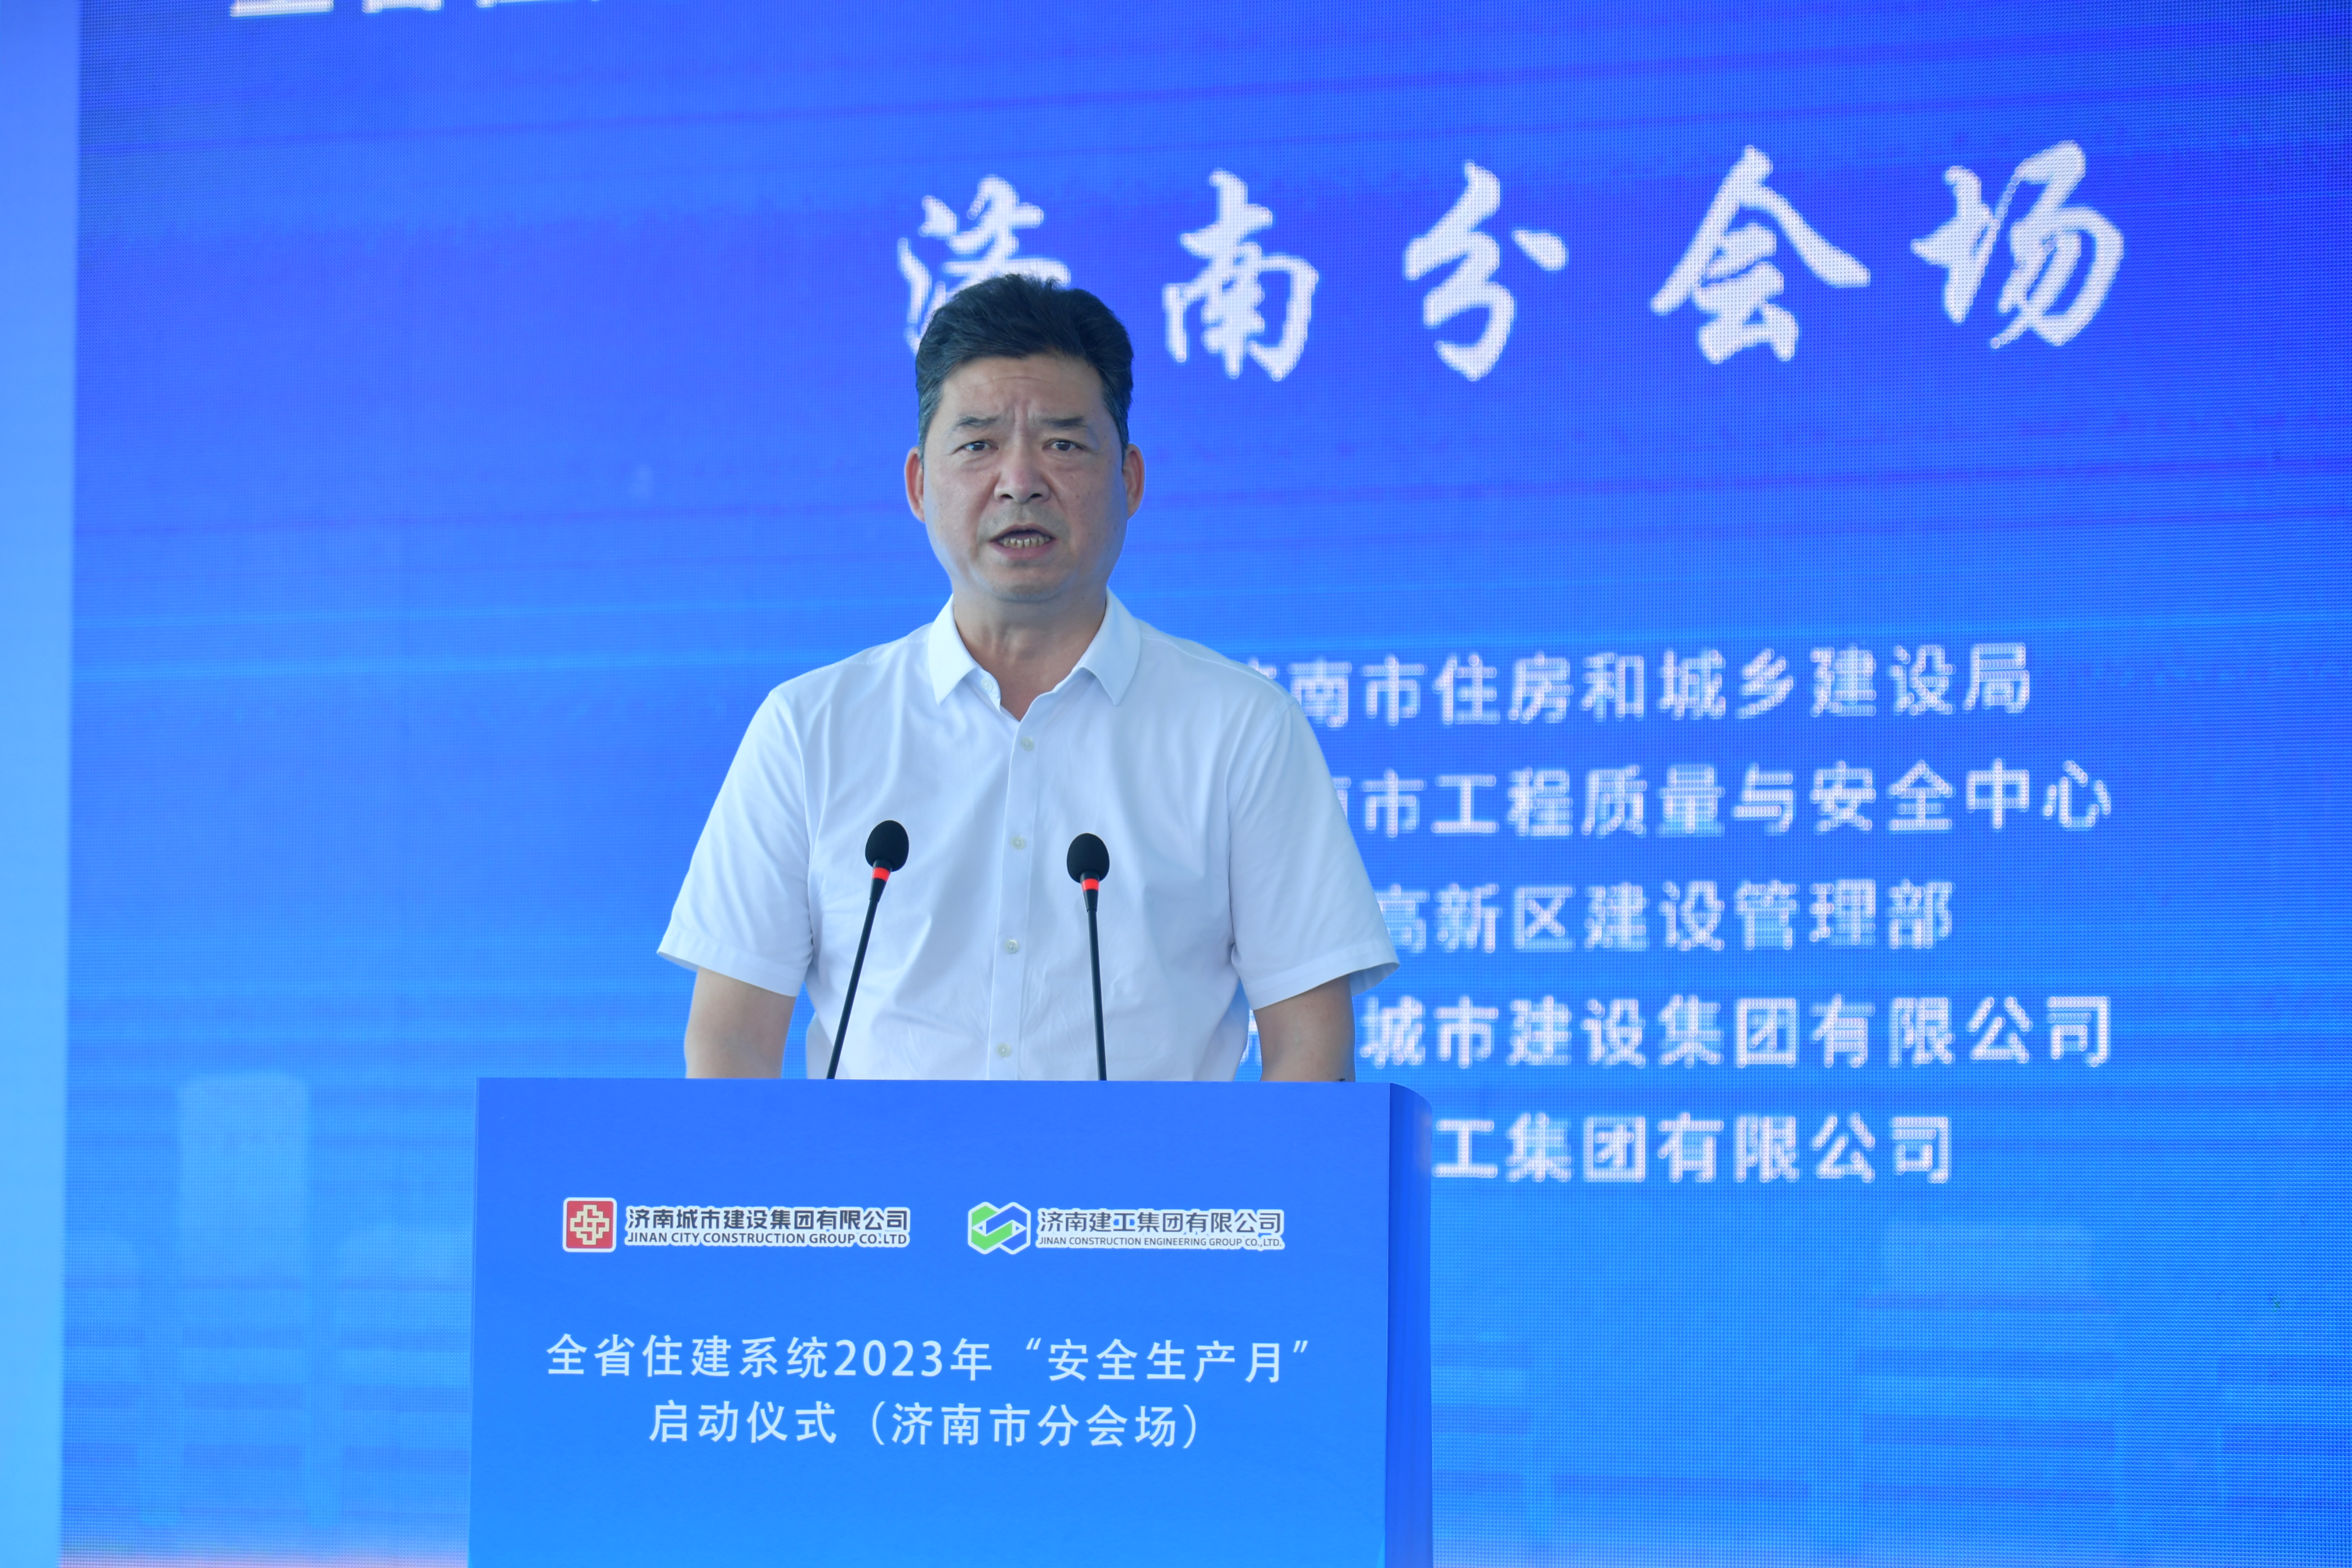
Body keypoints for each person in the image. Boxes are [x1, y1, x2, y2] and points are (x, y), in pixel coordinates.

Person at [660, 274, 1395, 1080]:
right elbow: (730, 1042)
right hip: (876, 1171)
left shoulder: (1241, 729)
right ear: (919, 486)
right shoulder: (811, 727)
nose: (1020, 480)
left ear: (1131, 481)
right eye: (978, 445)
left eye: (1063, 445)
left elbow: (1311, 1048)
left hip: (1143, 1172)